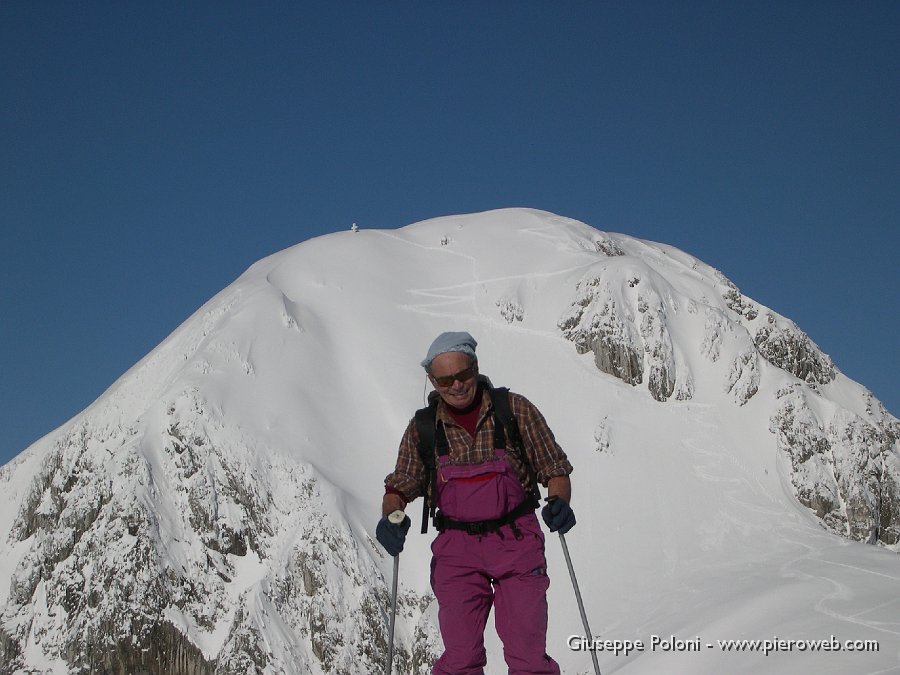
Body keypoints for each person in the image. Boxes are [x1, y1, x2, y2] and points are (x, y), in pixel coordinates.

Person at [377, 331, 576, 675]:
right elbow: (401, 485)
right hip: (457, 552)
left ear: (476, 367)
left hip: (516, 542)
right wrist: (391, 516)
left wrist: (559, 501)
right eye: (445, 379)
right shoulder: (423, 429)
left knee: (528, 655)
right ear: (432, 381)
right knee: (460, 658)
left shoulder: (514, 411)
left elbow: (554, 468)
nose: (456, 385)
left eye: (463, 374)